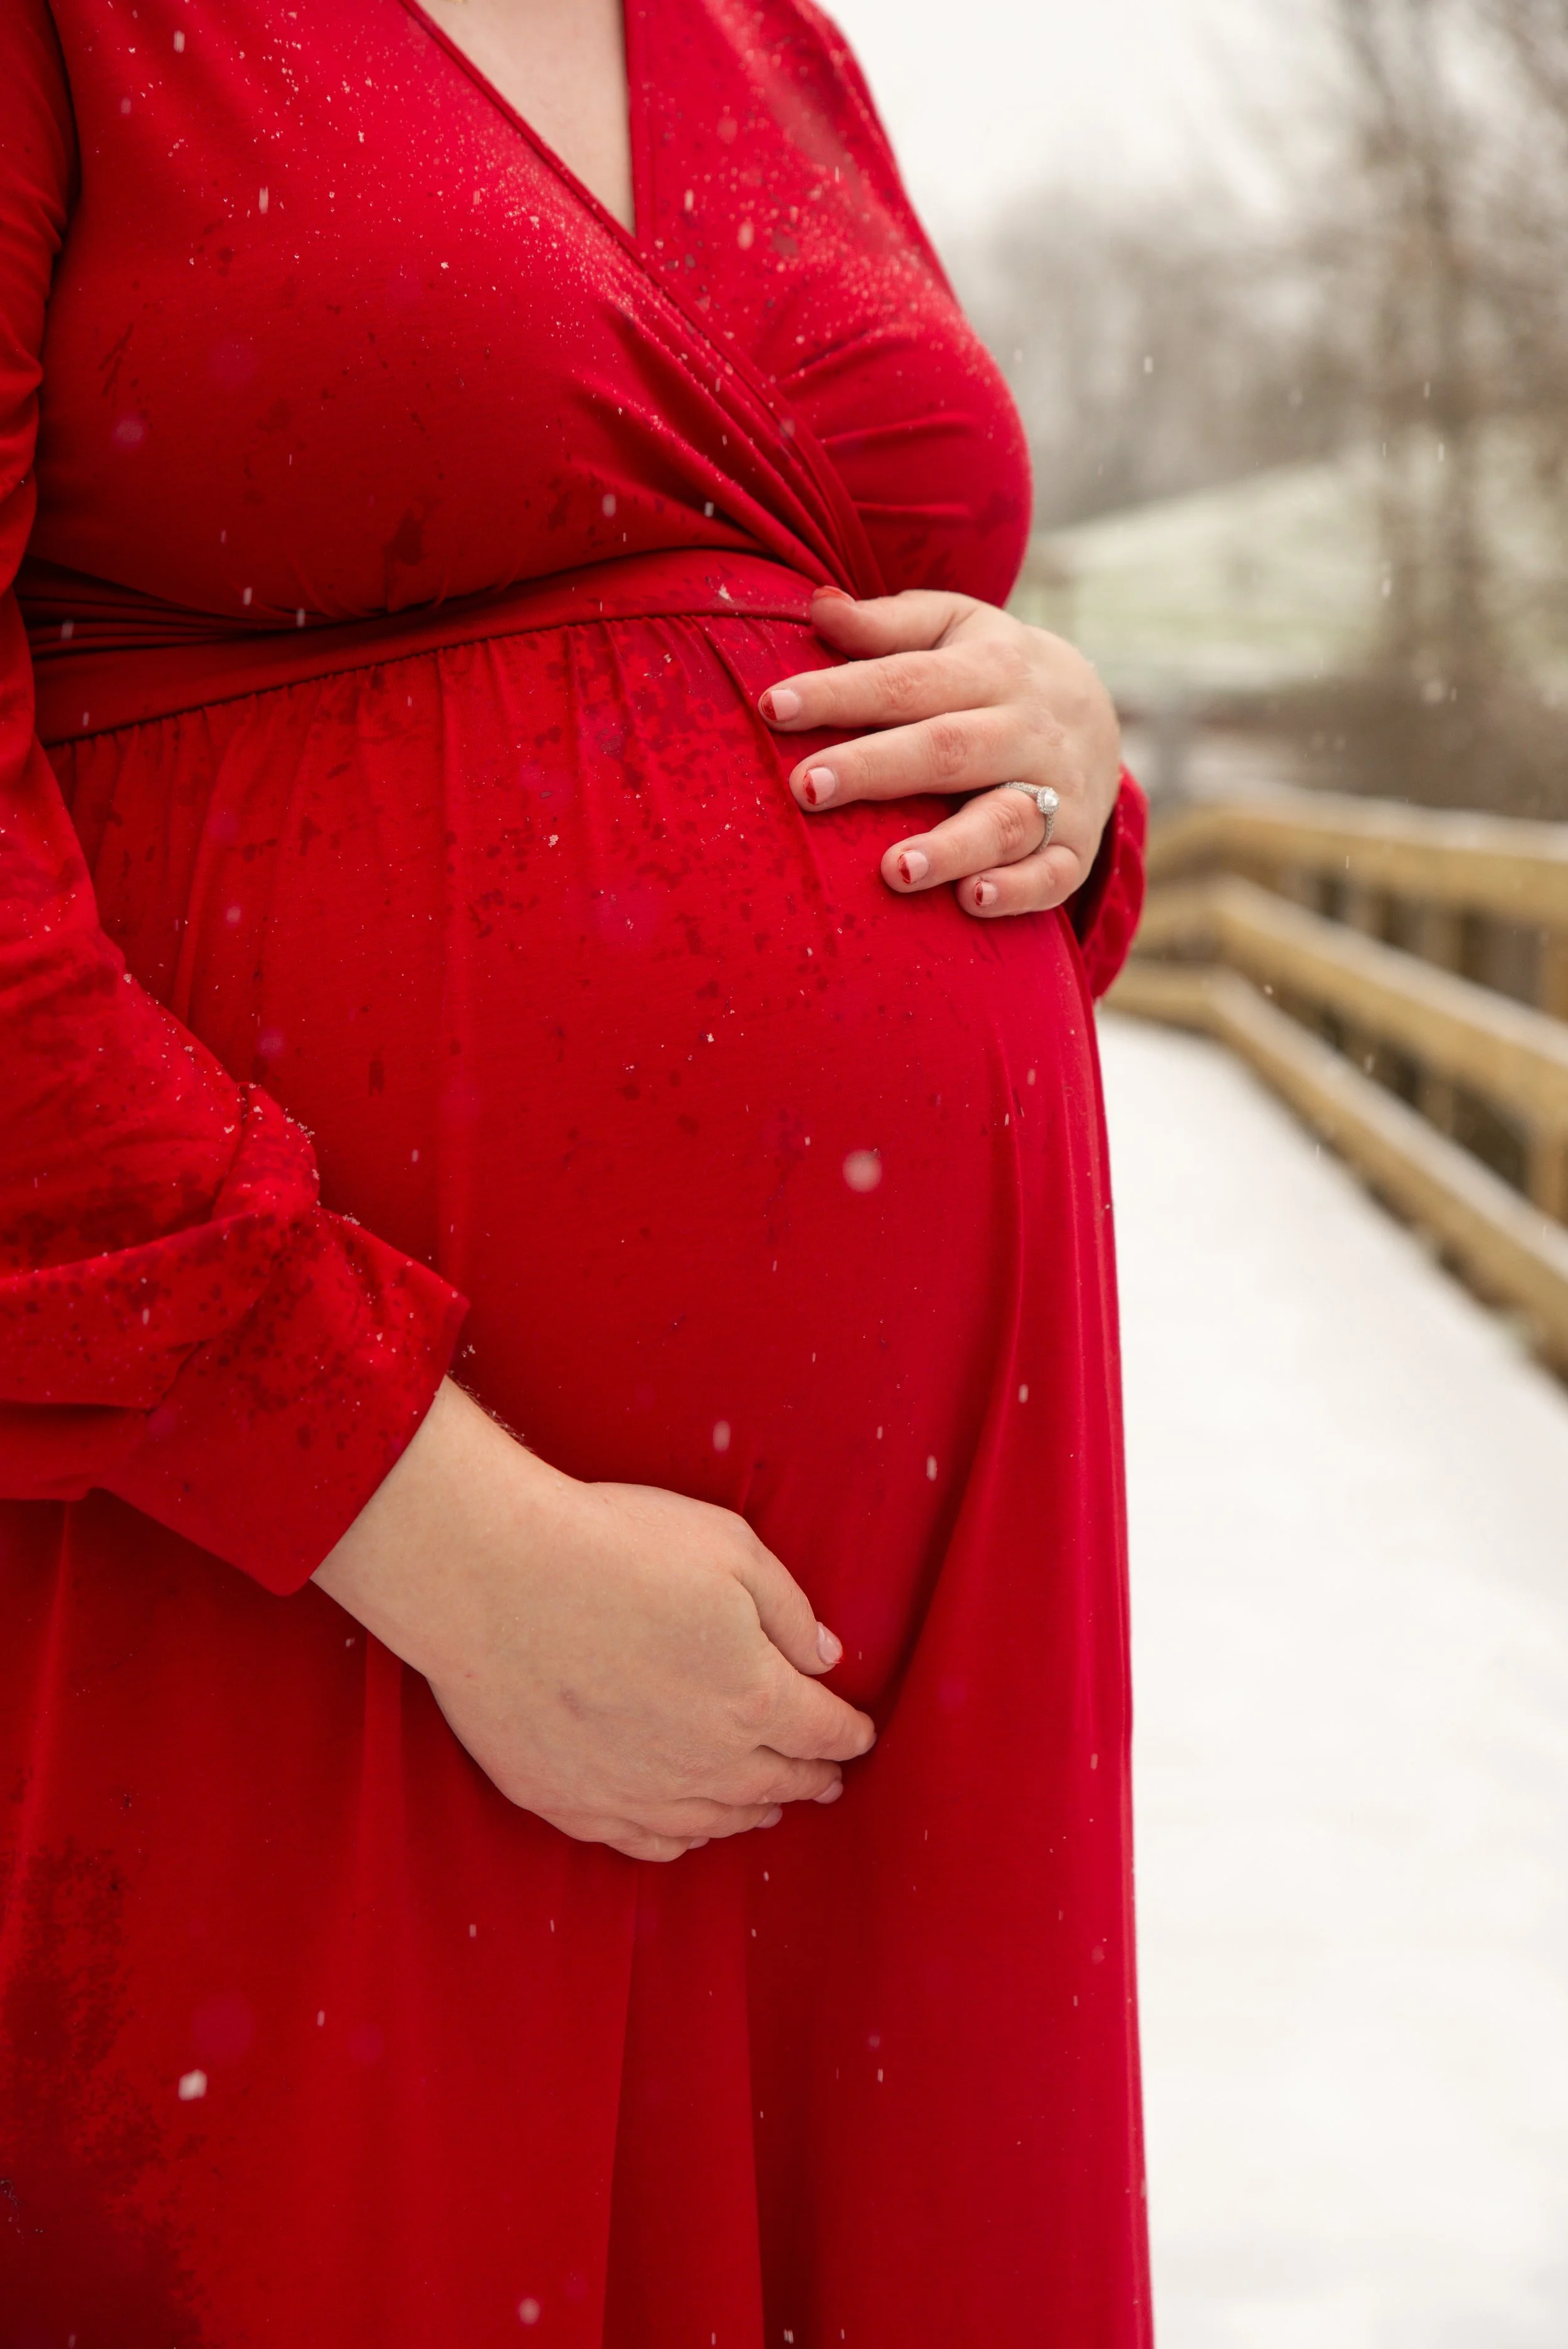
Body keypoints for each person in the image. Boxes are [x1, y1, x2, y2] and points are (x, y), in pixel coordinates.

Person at [0, 0, 1151, 2340]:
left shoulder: (770, 43)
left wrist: (1059, 759)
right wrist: (404, 1510)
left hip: (921, 1605)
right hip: (292, 1548)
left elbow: (771, 631)